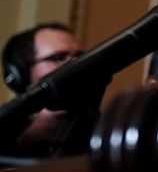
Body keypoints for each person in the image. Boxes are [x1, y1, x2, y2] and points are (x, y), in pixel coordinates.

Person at [0, 22, 102, 160]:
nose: (75, 64)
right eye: (58, 58)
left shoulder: (97, 122)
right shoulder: (7, 127)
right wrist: (30, 138)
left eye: (80, 56)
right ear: (21, 74)